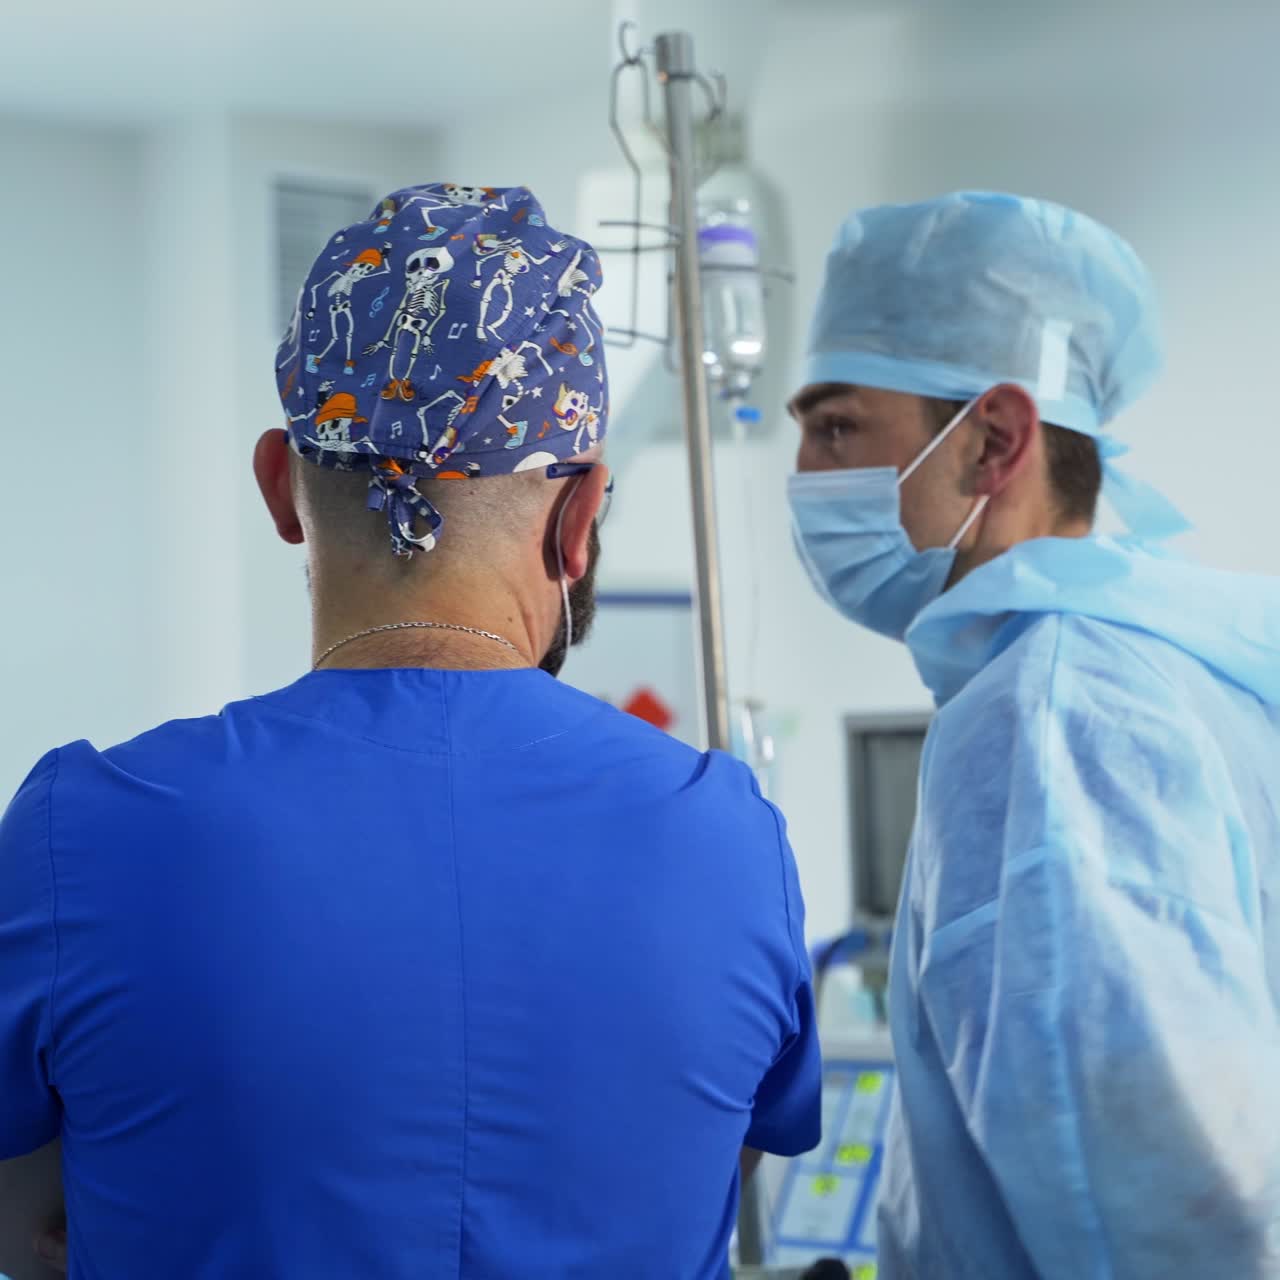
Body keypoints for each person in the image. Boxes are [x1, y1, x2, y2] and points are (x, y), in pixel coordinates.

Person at [0, 182, 821, 1278]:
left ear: (279, 487)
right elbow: (727, 1160)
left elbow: (27, 1221)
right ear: (581, 518)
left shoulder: (84, 828)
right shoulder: (724, 834)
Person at [787, 190, 1280, 1276]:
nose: (804, 480)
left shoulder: (1048, 715)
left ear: (994, 440)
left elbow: (1159, 1196)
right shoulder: (1171, 664)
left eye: (835, 427)